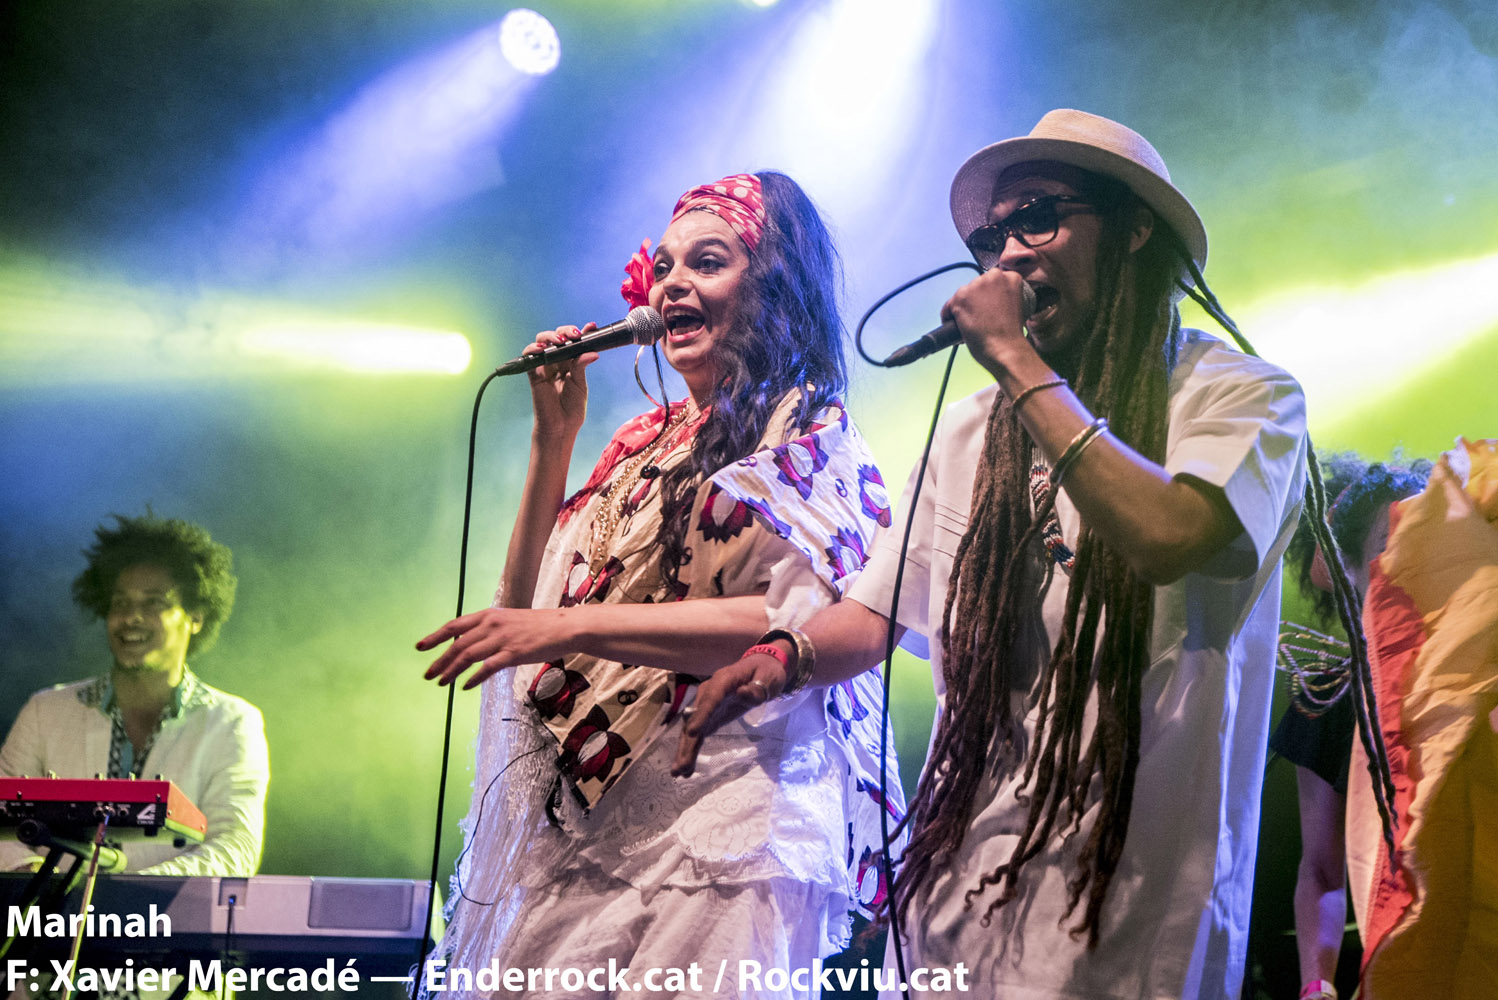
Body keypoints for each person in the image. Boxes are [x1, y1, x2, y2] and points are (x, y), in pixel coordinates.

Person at [677, 110, 1309, 998]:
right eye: (990, 237)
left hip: (1126, 903)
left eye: (1037, 218)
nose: (1006, 255)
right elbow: (878, 610)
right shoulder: (973, 428)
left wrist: (1012, 357)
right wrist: (784, 658)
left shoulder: (1240, 397)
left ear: (1134, 229)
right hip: (957, 890)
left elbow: (1169, 536)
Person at [417, 171, 903, 998]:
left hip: (727, 818)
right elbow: (525, 611)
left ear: (772, 285)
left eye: (707, 263)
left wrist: (570, 630)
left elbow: (797, 624)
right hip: (592, 818)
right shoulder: (643, 439)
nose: (673, 284)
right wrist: (552, 443)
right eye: (665, 266)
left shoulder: (809, 434)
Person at [0, 513, 268, 876]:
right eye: (120, 603)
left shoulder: (230, 722)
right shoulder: (45, 711)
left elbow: (235, 847)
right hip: (46, 910)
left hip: (167, 913)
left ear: (195, 617)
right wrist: (29, 872)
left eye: (154, 602)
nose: (132, 617)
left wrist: (131, 893)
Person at [1269, 455, 1431, 1000]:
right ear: (1349, 571)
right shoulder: (1331, 702)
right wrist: (1317, 986)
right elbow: (1321, 872)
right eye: (1389, 542)